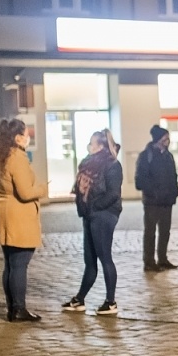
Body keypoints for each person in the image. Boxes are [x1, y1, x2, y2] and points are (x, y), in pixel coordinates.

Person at [0, 118, 46, 323]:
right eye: (26, 134)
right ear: (17, 137)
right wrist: (42, 189)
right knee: (20, 264)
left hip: (2, 213)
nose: (28, 137)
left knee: (10, 264)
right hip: (19, 216)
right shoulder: (17, 158)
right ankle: (19, 309)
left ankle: (11, 308)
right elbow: (25, 192)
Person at [63, 130, 123, 316]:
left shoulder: (112, 165)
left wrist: (96, 207)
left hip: (104, 215)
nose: (89, 146)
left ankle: (110, 302)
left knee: (104, 257)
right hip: (89, 214)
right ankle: (79, 299)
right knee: (90, 260)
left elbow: (113, 193)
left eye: (92, 143)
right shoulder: (87, 162)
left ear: (101, 146)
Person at [135, 125, 178, 270]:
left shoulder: (168, 156)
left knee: (165, 231)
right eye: (165, 138)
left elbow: (173, 176)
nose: (168, 140)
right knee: (150, 232)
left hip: (167, 201)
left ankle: (162, 259)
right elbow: (140, 180)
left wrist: (174, 191)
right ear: (159, 139)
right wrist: (153, 192)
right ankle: (149, 262)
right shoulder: (146, 156)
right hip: (152, 201)